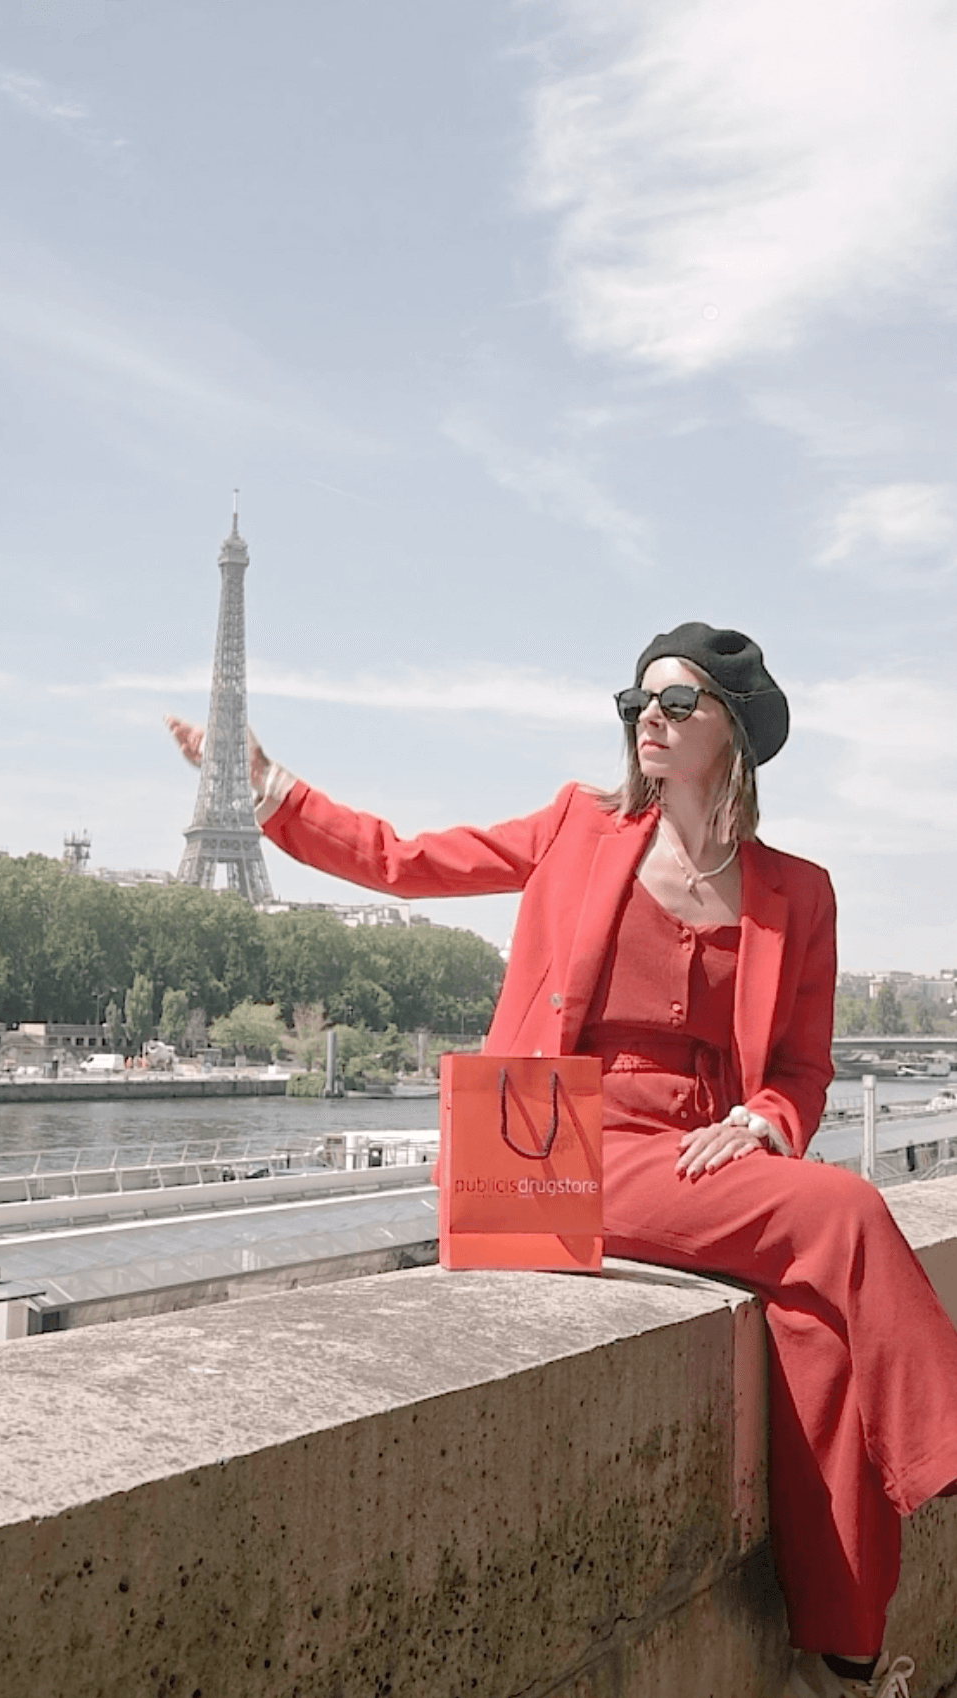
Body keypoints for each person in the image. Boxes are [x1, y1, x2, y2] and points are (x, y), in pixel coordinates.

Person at [167, 622, 957, 1698]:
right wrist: (277, 794)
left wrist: (768, 1120)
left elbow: (804, 1072)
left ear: (734, 734)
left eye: (677, 704)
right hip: (550, 1146)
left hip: (701, 1158)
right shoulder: (575, 828)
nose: (650, 720)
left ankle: (844, 1658)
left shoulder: (797, 892)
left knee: (818, 1332)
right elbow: (407, 861)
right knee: (849, 1212)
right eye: (638, 703)